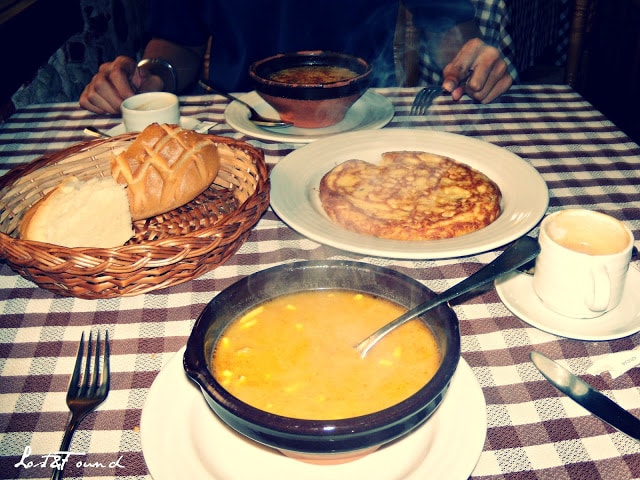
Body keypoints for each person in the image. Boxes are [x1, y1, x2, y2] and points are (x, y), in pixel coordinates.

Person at [79, 0, 513, 115]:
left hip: (359, 116)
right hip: (242, 123)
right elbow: (178, 44)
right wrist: (148, 79)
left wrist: (468, 56)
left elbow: (448, 26)